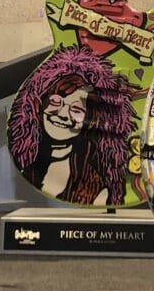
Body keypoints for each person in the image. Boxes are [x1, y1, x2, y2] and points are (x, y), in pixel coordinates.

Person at [8, 46, 135, 206]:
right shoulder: (27, 160)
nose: (62, 113)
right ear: (38, 103)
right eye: (55, 101)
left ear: (94, 117)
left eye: (76, 109)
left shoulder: (97, 185)